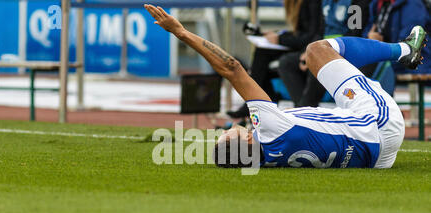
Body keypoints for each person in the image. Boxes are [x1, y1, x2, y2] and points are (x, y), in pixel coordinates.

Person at [144, 4, 427, 169]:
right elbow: (231, 68)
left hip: (377, 158)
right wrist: (181, 32)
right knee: (317, 50)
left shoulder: (269, 159)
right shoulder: (267, 126)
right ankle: (403, 49)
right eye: (230, 134)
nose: (230, 129)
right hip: (380, 122)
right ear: (246, 143)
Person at [227, 0, 323, 119]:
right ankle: (259, 98)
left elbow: (311, 36)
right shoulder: (295, 4)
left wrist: (280, 39)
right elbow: (301, 33)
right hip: (303, 44)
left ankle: (257, 99)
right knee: (262, 51)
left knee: (279, 60)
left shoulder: (313, 3)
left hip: (309, 47)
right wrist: (277, 35)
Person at [277, 0, 372, 108]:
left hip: (343, 51)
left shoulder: (356, 3)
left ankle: (305, 108)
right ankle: (304, 109)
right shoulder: (326, 2)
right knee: (287, 62)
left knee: (319, 65)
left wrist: (323, 51)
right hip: (323, 48)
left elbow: (353, 35)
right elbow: (319, 32)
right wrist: (307, 51)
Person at [363, 0, 431, 74]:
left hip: (411, 68)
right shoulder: (376, 4)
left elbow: (408, 48)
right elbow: (366, 34)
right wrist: (370, 39)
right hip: (386, 63)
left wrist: (378, 45)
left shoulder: (413, 5)